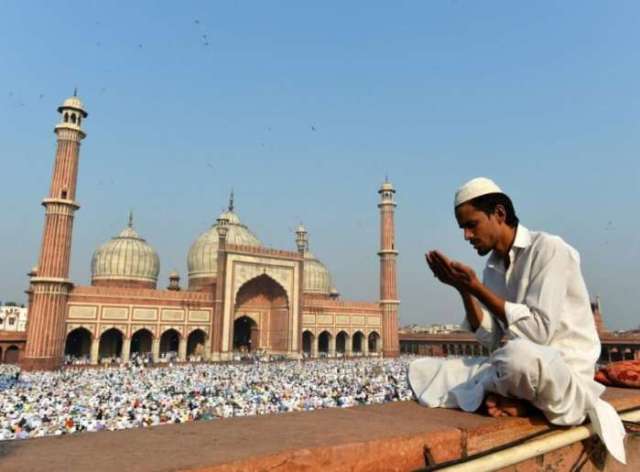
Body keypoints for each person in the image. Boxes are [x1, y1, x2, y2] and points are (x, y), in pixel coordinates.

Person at [409, 177, 626, 463]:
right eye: (463, 228)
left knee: (517, 358)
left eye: (471, 225)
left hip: (559, 369)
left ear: (499, 214)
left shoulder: (548, 249)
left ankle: (519, 399)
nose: (466, 236)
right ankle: (517, 398)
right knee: (425, 370)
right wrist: (465, 291)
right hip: (517, 364)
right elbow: (490, 339)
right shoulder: (492, 268)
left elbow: (538, 332)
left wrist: (477, 289)